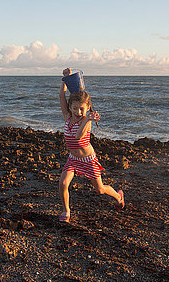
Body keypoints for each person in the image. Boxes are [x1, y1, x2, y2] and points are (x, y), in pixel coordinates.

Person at [58, 68, 124, 223]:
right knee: (63, 184)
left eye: (82, 109)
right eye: (75, 108)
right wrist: (65, 79)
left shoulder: (86, 121)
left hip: (88, 160)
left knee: (100, 190)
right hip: (73, 159)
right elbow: (62, 96)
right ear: (70, 107)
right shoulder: (68, 117)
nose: (78, 112)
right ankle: (66, 211)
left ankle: (118, 196)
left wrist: (87, 119)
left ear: (87, 108)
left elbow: (79, 136)